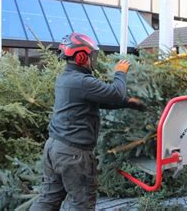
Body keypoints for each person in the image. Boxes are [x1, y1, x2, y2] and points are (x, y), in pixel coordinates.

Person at [30, 33, 145, 210]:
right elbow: (116, 93)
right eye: (91, 56)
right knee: (82, 203)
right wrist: (120, 73)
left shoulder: (67, 79)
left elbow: (97, 101)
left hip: (54, 148)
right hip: (73, 154)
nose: (93, 60)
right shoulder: (82, 81)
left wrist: (127, 103)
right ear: (81, 56)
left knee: (49, 199)